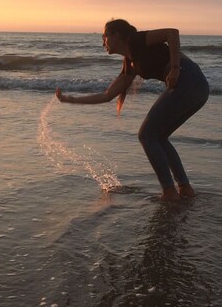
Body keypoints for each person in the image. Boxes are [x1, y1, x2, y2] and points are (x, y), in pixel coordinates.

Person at [55, 19, 209, 201]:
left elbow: (172, 33)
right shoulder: (131, 64)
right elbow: (107, 95)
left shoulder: (136, 40)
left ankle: (169, 192)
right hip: (198, 87)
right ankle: (184, 188)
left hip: (188, 79)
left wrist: (175, 68)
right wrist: (70, 100)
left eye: (105, 37)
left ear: (116, 35)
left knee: (146, 135)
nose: (103, 42)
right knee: (157, 136)